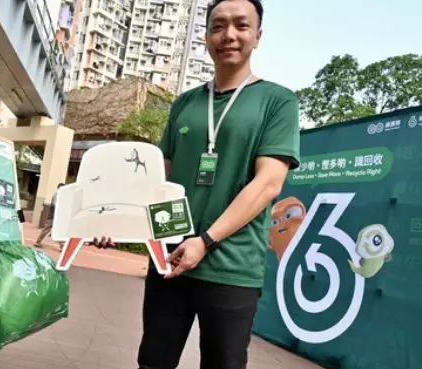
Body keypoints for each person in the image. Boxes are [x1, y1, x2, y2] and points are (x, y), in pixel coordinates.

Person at [91, 1, 301, 368]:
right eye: (218, 26)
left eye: (241, 25)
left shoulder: (277, 101)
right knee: (154, 361)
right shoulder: (186, 103)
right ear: (205, 37)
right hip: (170, 259)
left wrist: (205, 241)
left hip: (232, 267)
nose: (229, 35)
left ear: (258, 36)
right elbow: (156, 180)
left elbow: (268, 184)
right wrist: (113, 221)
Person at [34, 183, 64, 249]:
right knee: (47, 229)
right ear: (59, 188)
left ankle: (62, 246)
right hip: (53, 216)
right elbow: (55, 206)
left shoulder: (60, 195)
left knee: (57, 230)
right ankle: (38, 242)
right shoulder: (57, 194)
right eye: (62, 188)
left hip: (56, 216)